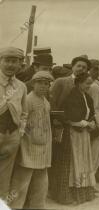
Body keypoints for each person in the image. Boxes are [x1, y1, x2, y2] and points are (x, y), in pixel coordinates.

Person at [49, 55, 91, 204]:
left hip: (76, 128)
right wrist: (56, 122)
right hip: (60, 126)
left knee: (73, 162)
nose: (81, 69)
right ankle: (58, 193)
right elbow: (52, 103)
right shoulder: (61, 82)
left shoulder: (85, 85)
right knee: (60, 161)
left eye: (84, 68)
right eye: (79, 66)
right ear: (73, 66)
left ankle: (74, 191)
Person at [9, 71, 54, 209]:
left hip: (43, 146)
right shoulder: (28, 99)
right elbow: (22, 120)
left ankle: (37, 205)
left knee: (41, 180)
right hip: (29, 145)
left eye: (46, 84)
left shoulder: (45, 101)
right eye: (40, 83)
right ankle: (14, 206)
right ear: (33, 84)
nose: (43, 86)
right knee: (22, 179)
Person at [63, 72, 96, 204]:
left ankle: (84, 189)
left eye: (90, 83)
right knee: (76, 161)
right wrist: (87, 123)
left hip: (84, 134)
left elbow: (91, 114)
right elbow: (71, 118)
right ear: (79, 83)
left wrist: (92, 123)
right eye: (87, 83)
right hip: (74, 133)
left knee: (84, 160)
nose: (89, 85)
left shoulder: (87, 97)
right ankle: (74, 191)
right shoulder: (72, 97)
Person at [0, 47, 28, 200]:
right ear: (0, 61)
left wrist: (20, 132)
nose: (10, 65)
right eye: (7, 61)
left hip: (12, 136)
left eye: (14, 61)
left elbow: (24, 112)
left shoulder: (21, 86)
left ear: (20, 64)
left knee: (5, 174)